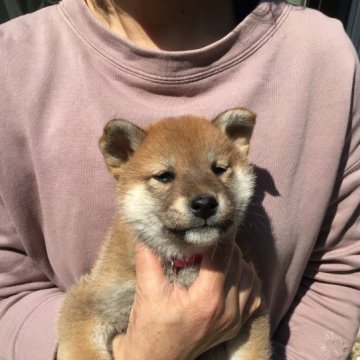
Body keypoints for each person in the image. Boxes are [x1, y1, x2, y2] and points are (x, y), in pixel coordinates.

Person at [0, 0, 359, 359]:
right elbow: (58, 306)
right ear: (121, 158)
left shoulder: (323, 54)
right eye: (165, 176)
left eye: (219, 170)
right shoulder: (12, 61)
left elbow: (341, 267)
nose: (203, 194)